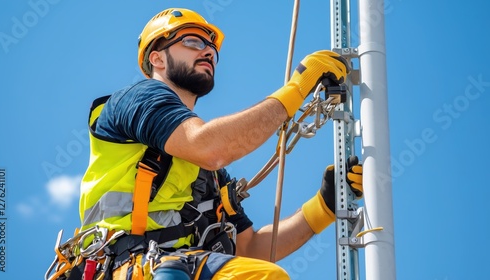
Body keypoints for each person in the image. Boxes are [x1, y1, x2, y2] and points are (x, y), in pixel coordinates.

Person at [55, 7, 363, 280]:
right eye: (192, 42)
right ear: (157, 58)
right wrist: (298, 88)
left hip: (176, 267)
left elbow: (251, 248)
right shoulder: (139, 99)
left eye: (212, 49)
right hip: (128, 264)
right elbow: (210, 147)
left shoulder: (207, 176)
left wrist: (324, 206)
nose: (208, 52)